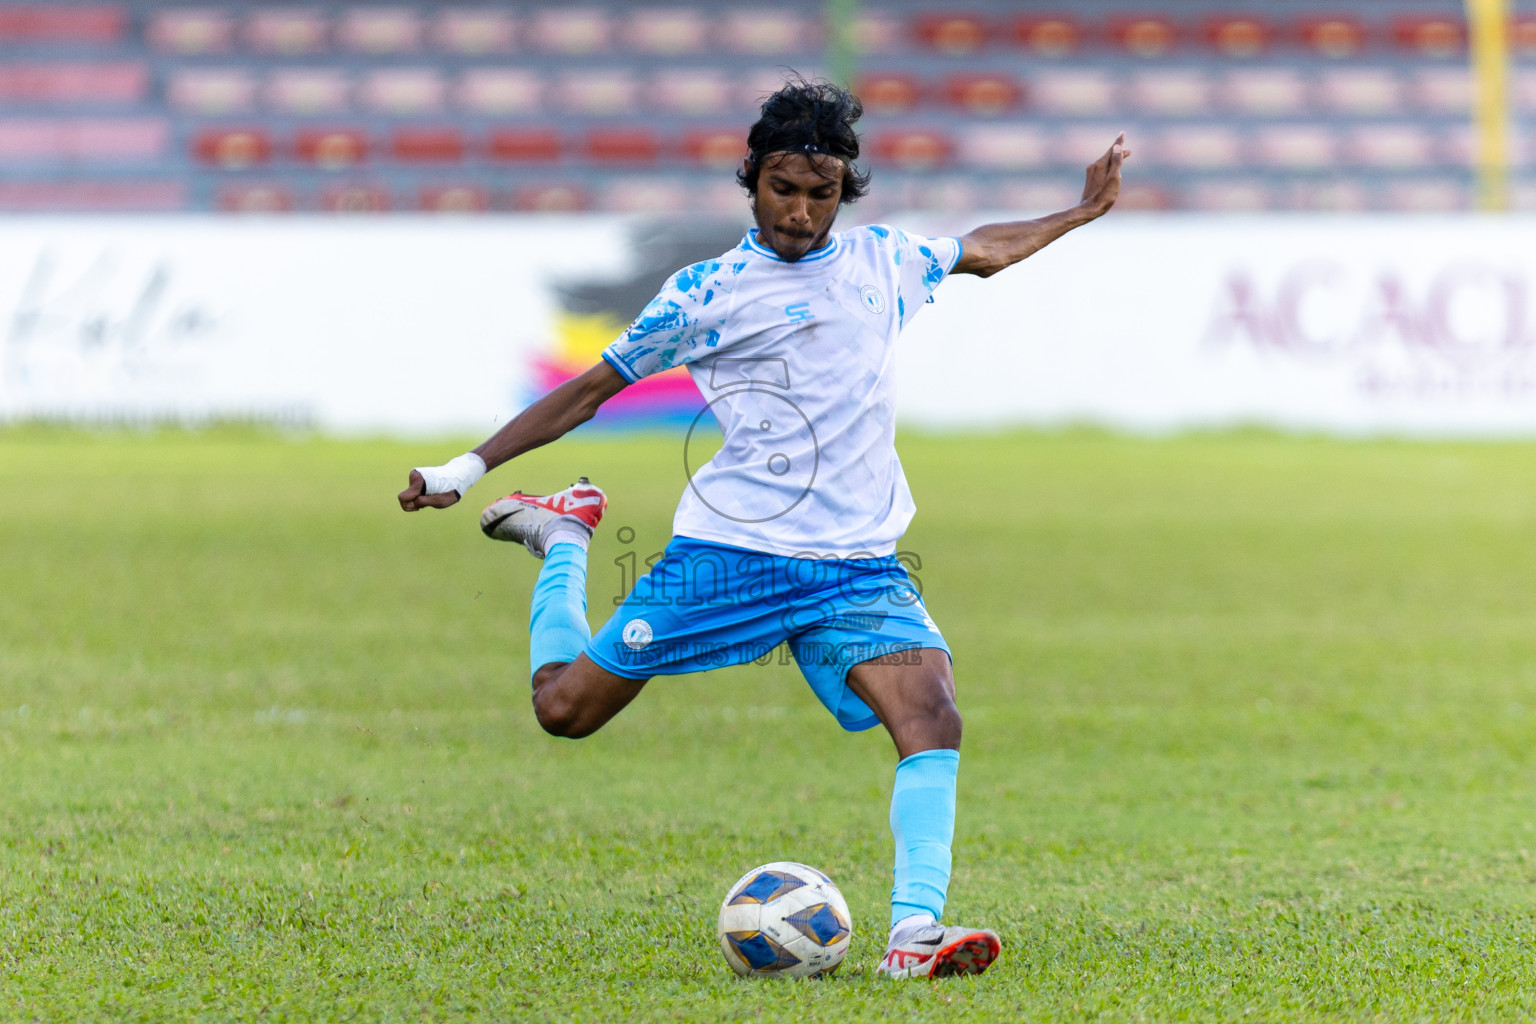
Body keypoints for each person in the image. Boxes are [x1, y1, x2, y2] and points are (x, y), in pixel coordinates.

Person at [399, 77, 1128, 979]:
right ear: (752, 181)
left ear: (843, 192)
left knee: (932, 714)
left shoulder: (885, 261)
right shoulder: (706, 293)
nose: (801, 211)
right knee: (565, 711)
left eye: (821, 194)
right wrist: (464, 470)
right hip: (731, 555)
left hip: (858, 567)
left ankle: (912, 938)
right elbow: (591, 390)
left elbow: (982, 248)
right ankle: (564, 540)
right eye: (784, 189)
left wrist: (1083, 211)